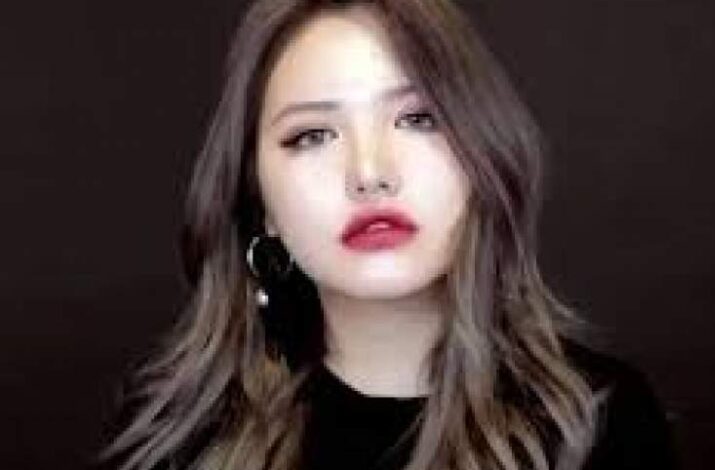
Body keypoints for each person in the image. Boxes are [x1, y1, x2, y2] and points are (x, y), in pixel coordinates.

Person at [98, 1, 678, 469]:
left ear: (483, 155)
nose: (370, 172)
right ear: (260, 200)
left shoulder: (598, 426)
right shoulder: (174, 439)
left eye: (418, 119)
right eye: (312, 135)